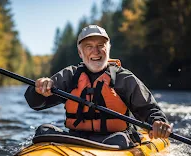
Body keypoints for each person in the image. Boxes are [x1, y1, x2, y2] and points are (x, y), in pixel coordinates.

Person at [25, 25, 172, 149]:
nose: (96, 51)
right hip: (77, 139)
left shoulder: (123, 78)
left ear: (108, 49)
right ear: (80, 53)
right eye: (89, 46)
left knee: (120, 139)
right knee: (43, 131)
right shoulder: (70, 76)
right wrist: (39, 90)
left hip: (115, 140)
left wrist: (157, 122)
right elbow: (35, 103)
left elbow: (149, 109)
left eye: (100, 45)